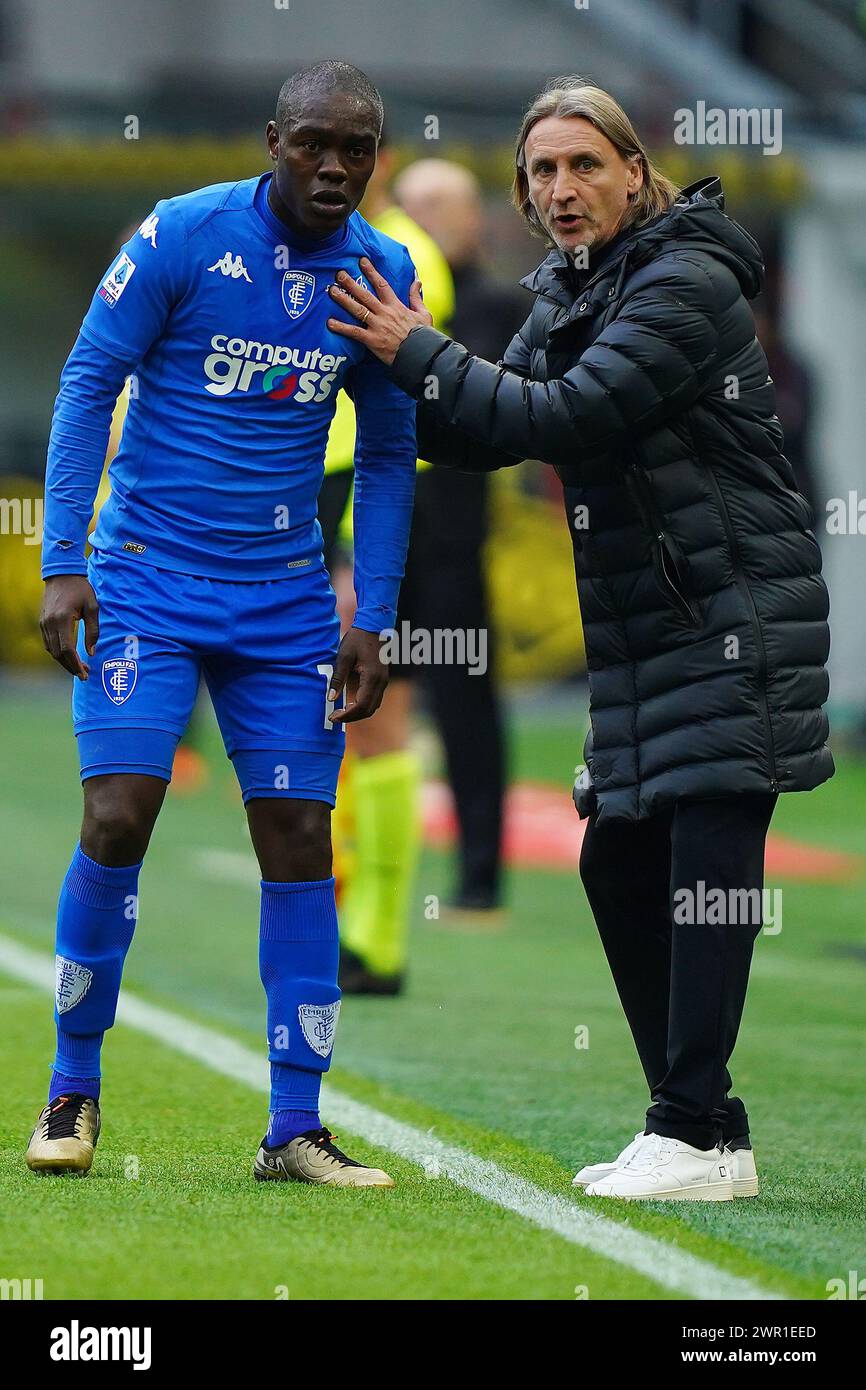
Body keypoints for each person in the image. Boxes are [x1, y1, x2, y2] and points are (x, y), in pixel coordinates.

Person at [326, 76, 833, 1202]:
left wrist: (413, 346)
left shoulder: (685, 281)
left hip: (733, 616)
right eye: (541, 171)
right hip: (649, 626)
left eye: (582, 165)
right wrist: (358, 391)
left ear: (633, 172)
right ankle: (707, 1130)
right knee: (614, 856)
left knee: (707, 861)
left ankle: (688, 1127)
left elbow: (560, 416)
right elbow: (491, 428)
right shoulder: (574, 285)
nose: (560, 189)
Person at [29, 60, 418, 1189]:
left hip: (286, 600)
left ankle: (294, 1128)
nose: (334, 166)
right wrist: (64, 564)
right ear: (271, 140)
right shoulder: (180, 236)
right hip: (146, 577)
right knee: (118, 817)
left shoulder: (381, 274)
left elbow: (391, 453)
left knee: (299, 840)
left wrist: (372, 613)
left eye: (356, 147)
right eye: (312, 144)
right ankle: (71, 1090)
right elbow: (87, 381)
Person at [317, 133, 455, 994]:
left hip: (381, 503)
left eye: (351, 153)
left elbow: (402, 386)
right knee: (348, 715)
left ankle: (378, 937)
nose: (333, 172)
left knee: (374, 715)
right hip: (346, 497)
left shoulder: (399, 256)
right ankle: (361, 925)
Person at [391, 159, 527, 917]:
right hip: (371, 535)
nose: (432, 219)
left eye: (447, 206)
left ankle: (480, 878)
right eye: (416, 206)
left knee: (466, 707)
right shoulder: (363, 292)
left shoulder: (494, 307)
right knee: (350, 701)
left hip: (449, 543)